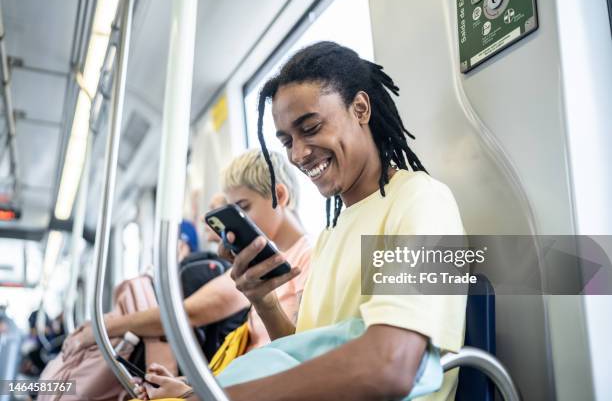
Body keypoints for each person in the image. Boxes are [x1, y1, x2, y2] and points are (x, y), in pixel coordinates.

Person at [142, 42, 465, 401]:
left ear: (360, 108)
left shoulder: (422, 201)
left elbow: (389, 367)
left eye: (310, 128)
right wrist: (264, 302)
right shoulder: (332, 231)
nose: (298, 154)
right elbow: (303, 359)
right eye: (287, 141)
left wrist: (214, 397)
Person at [62, 150, 311, 364]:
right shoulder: (258, 262)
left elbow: (191, 313)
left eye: (244, 209)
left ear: (280, 196)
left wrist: (104, 329)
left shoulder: (307, 258)